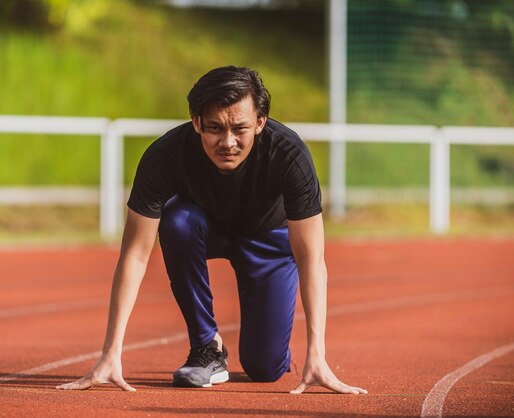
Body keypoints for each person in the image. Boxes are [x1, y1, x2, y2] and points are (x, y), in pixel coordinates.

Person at [57, 66, 367, 395]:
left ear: (260, 123)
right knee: (176, 220)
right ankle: (207, 346)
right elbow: (134, 254)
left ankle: (270, 349)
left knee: (264, 368)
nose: (227, 142)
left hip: (267, 241)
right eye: (215, 129)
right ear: (196, 123)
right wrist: (111, 352)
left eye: (240, 129)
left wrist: (316, 353)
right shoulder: (165, 156)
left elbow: (310, 257)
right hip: (203, 228)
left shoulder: (289, 155)